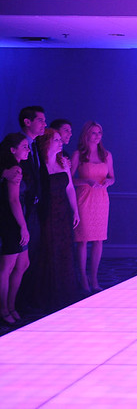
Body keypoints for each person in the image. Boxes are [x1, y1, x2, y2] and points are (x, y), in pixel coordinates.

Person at [36, 128, 80, 311]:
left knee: (65, 250)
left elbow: (69, 188)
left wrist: (75, 211)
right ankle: (49, 294)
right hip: (47, 212)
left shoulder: (63, 162)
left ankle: (66, 291)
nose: (60, 142)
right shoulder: (40, 165)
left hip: (63, 212)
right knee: (49, 250)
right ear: (47, 142)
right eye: (56, 139)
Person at [71, 121, 114, 293]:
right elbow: (69, 179)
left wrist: (109, 181)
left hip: (101, 199)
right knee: (83, 240)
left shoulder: (106, 155)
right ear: (86, 135)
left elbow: (112, 176)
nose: (97, 136)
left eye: (100, 133)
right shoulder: (78, 155)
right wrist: (86, 181)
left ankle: (94, 277)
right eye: (94, 133)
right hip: (84, 199)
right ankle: (83, 278)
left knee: (99, 239)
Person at [15, 106, 46, 311]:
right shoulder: (17, 144)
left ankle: (27, 299)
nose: (44, 124)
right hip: (22, 209)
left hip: (35, 209)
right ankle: (16, 302)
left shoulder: (36, 146)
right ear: (28, 122)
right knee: (19, 260)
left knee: (31, 257)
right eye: (40, 120)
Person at [0, 133, 32, 324]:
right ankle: (4, 309)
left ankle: (11, 305)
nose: (28, 149)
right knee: (7, 267)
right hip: (11, 221)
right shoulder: (14, 169)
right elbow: (13, 200)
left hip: (17, 219)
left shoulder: (17, 167)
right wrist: (23, 226)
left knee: (22, 264)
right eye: (24, 146)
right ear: (12, 150)